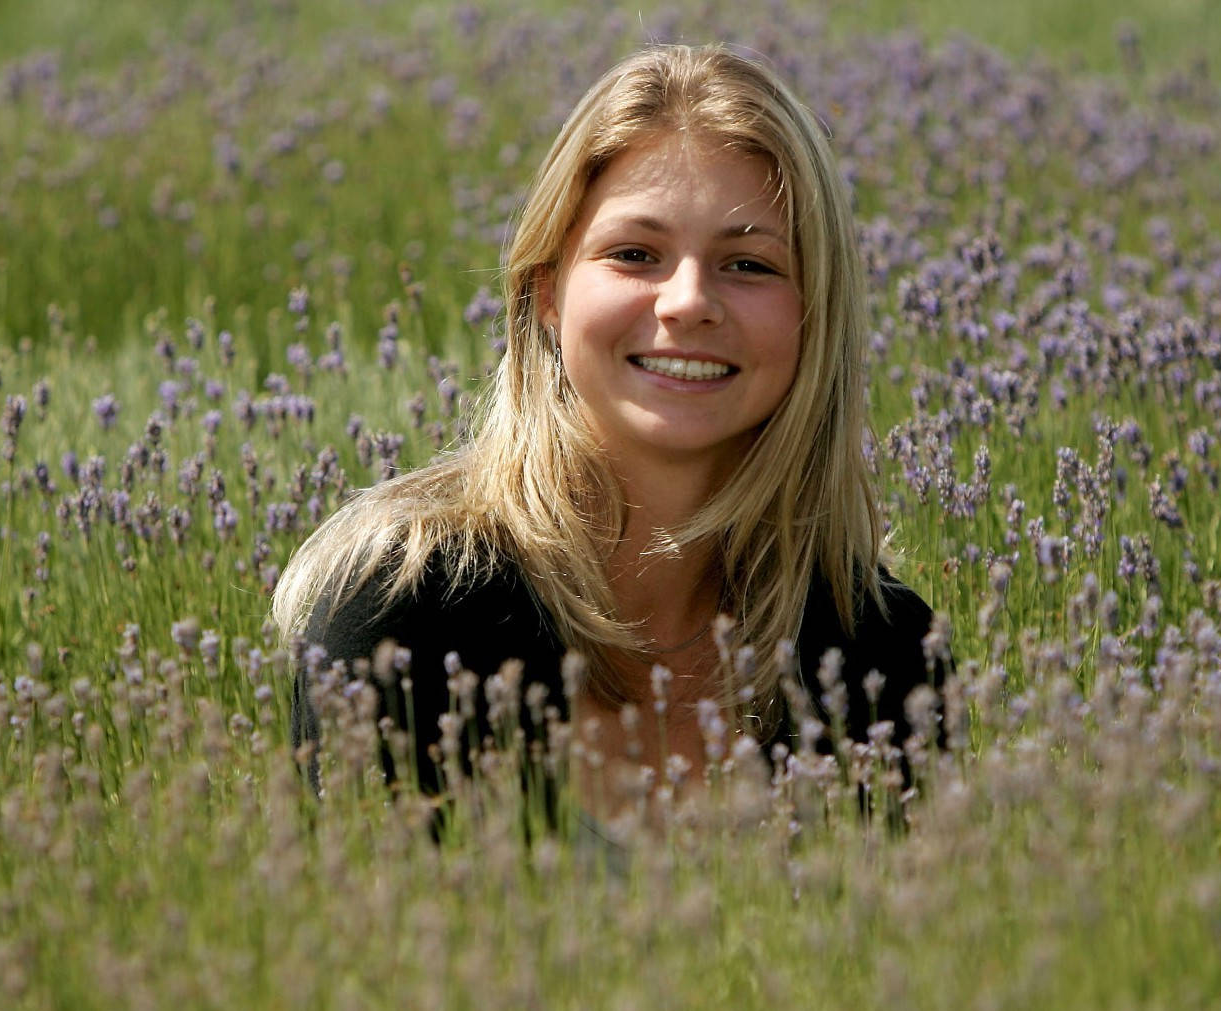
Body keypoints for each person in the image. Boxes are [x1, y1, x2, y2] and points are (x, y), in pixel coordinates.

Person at [272, 43, 950, 846]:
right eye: (635, 254)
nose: (689, 300)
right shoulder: (400, 614)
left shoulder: (882, 647)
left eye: (748, 263)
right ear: (548, 294)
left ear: (815, 316)